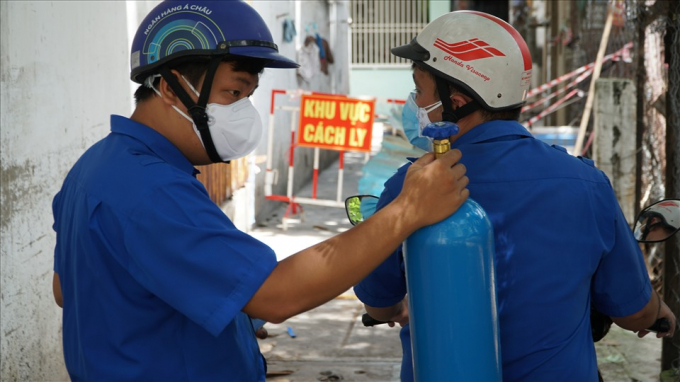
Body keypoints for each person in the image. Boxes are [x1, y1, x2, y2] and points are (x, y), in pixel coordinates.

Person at [50, 1, 470, 380]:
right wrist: (405, 211)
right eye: (232, 93)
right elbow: (275, 295)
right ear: (168, 87)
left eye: (247, 96)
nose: (242, 112)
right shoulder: (151, 190)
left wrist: (231, 316)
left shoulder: (98, 166)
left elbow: (67, 289)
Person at [353, 10, 677, 382]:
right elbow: (633, 312)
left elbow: (378, 304)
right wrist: (658, 315)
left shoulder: (408, 187)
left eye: (419, 90)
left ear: (456, 100)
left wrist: (399, 307)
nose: (413, 101)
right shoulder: (587, 185)